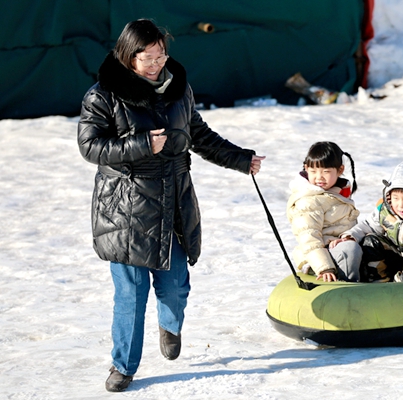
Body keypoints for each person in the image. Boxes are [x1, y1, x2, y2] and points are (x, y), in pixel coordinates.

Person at [77, 19, 265, 392]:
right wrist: (142, 145)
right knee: (130, 296)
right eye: (148, 57)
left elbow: (197, 134)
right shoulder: (103, 95)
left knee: (176, 285)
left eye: (162, 54)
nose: (157, 63)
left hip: (173, 202)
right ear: (128, 56)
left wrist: (240, 159)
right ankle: (122, 366)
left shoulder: (178, 88)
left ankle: (171, 324)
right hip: (126, 209)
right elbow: (90, 147)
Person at [286, 142, 362, 282]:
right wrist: (324, 267)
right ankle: (350, 291)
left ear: (340, 170)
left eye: (326, 172)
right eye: (314, 172)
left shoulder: (337, 195)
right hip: (319, 259)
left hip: (337, 249)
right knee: (349, 249)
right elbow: (309, 237)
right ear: (306, 168)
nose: (319, 177)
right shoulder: (308, 201)